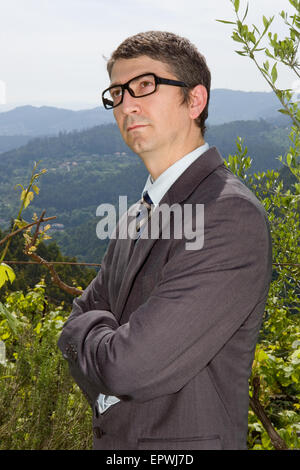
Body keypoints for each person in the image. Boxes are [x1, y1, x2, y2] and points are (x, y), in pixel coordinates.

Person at [57, 31, 272, 450]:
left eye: (144, 86)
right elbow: (80, 313)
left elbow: (128, 368)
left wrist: (88, 340)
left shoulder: (227, 215)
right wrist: (95, 335)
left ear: (195, 101)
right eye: (117, 93)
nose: (126, 105)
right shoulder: (136, 213)